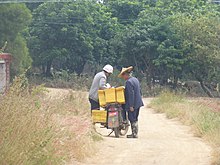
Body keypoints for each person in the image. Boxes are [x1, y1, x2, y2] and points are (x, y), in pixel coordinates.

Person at [118, 66, 144, 138]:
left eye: (123, 76)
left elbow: (130, 95)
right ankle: (135, 133)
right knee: (135, 118)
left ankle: (134, 134)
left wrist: (131, 106)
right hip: (138, 102)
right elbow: (139, 91)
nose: (123, 78)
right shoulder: (135, 79)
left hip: (133, 104)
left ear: (126, 74)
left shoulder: (129, 82)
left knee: (132, 118)